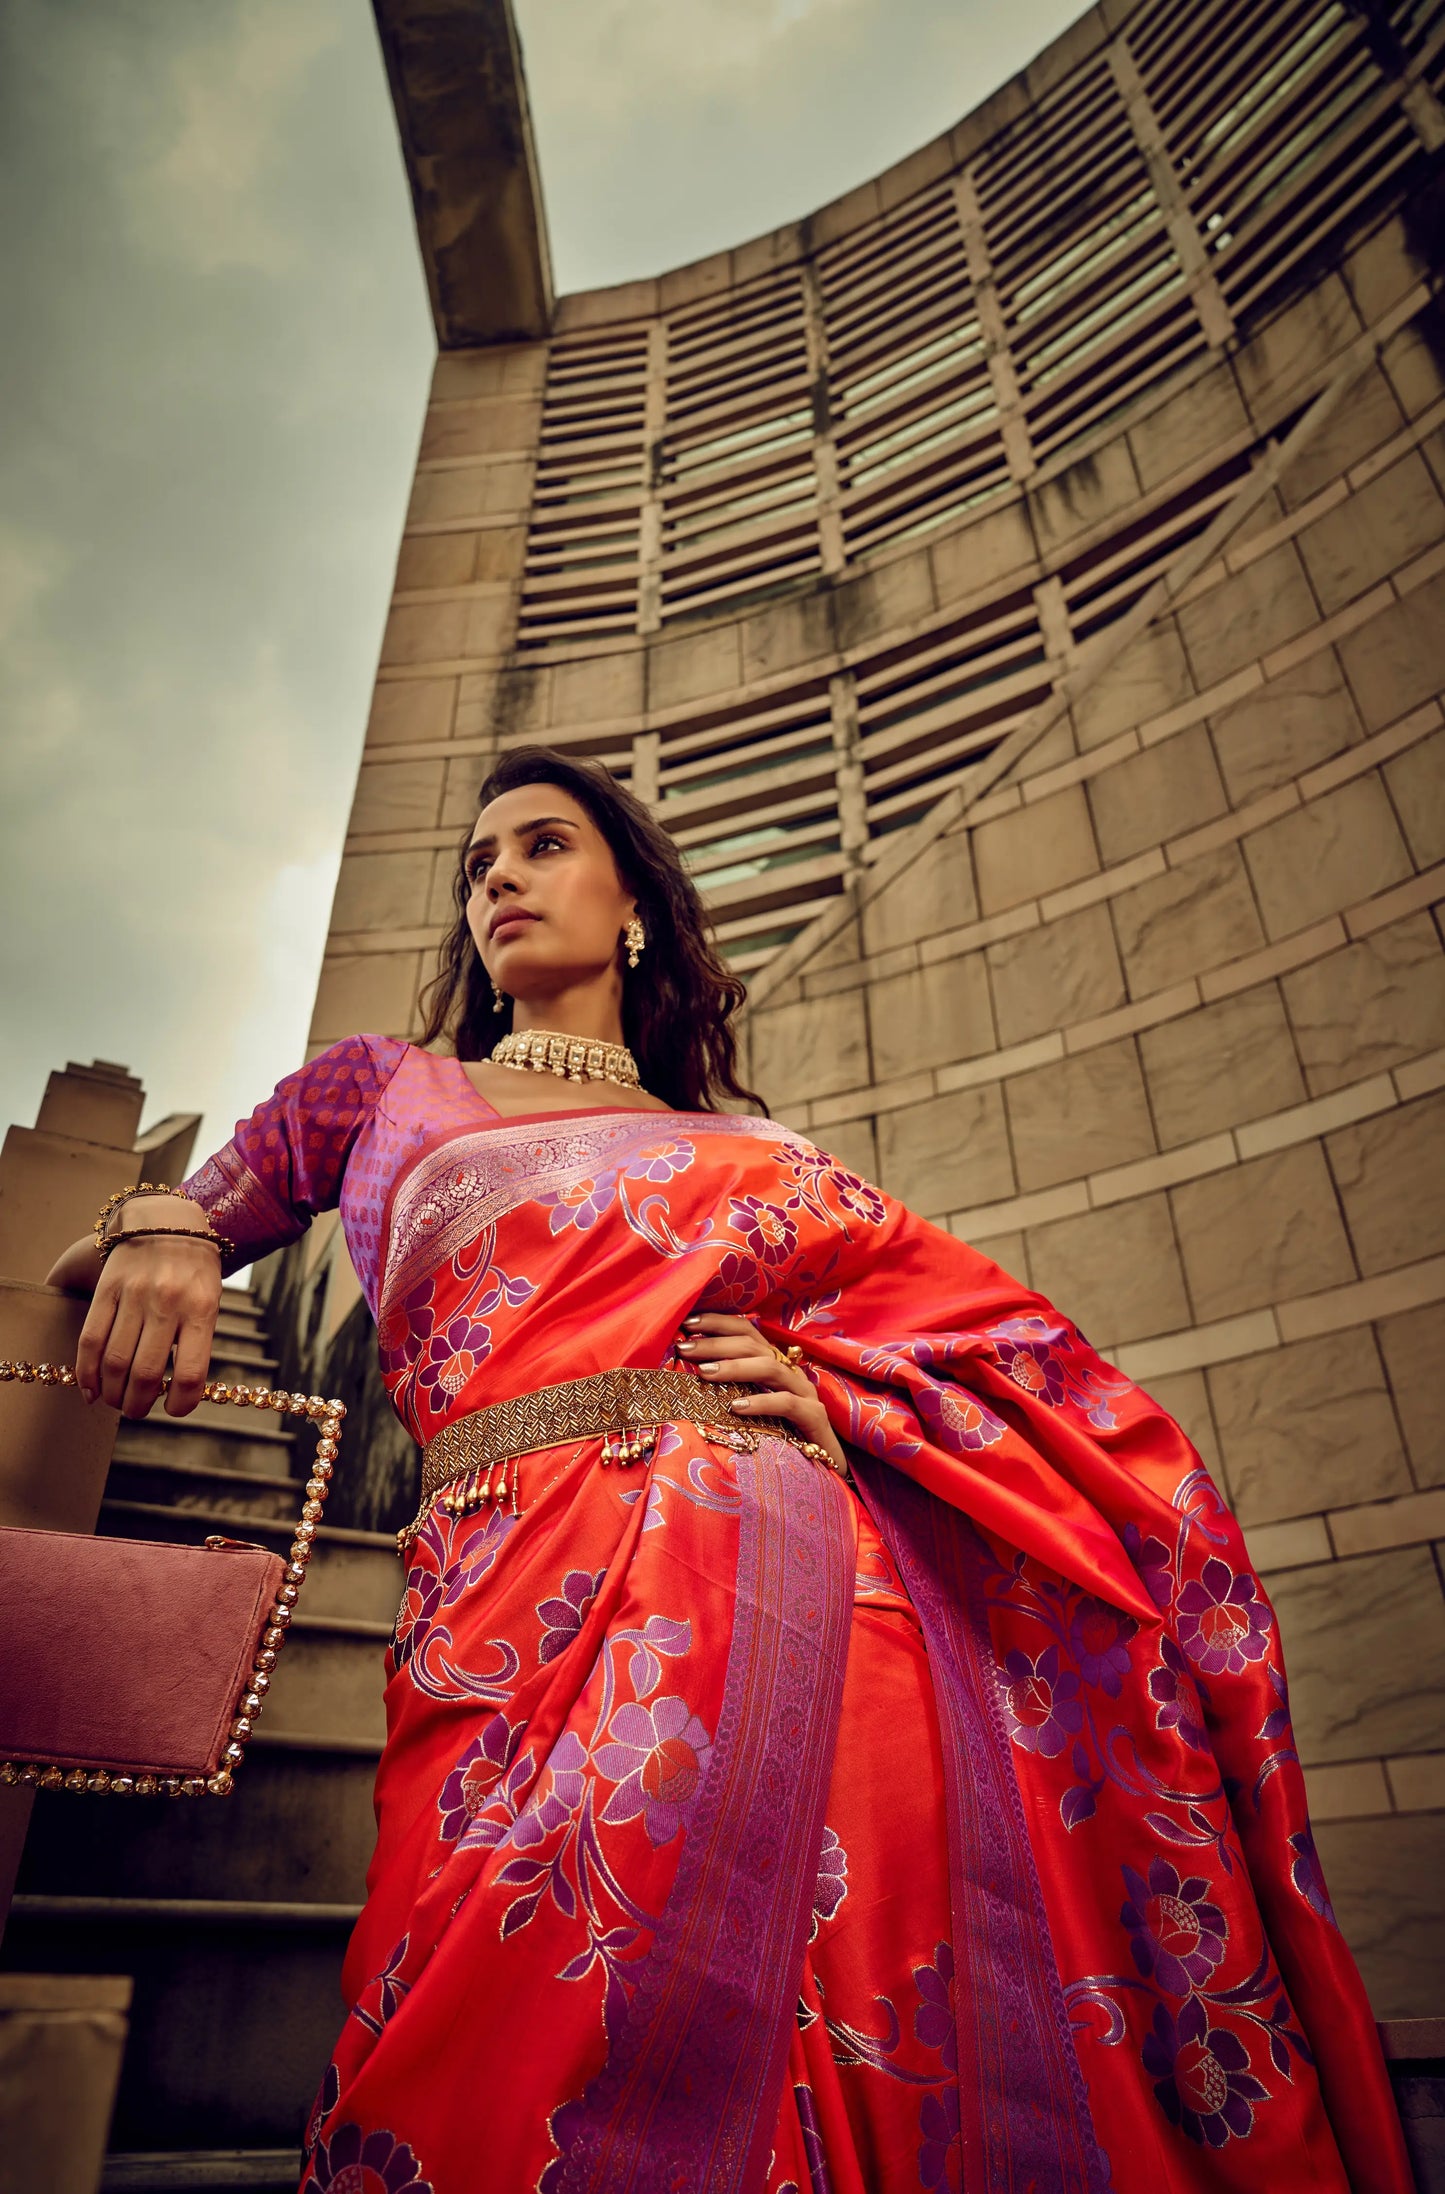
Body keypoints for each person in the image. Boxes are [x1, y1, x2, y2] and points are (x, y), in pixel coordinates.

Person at [49, 747, 1413, 2194]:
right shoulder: (386, 1092)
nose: (496, 876)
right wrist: (167, 1231)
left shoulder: (751, 1151)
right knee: (487, 2027)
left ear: (631, 902)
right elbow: (171, 1209)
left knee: (854, 2032)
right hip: (508, 1597)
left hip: (808, 1606)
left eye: (542, 844)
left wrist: (834, 1396)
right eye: (476, 863)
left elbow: (1002, 1356)